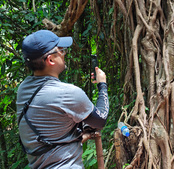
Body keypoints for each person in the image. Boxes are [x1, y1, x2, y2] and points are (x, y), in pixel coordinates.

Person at [16, 30, 109, 168]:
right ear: (50, 60)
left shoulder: (23, 89)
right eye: (61, 51)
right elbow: (100, 120)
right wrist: (102, 85)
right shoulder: (66, 93)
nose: (64, 54)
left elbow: (54, 125)